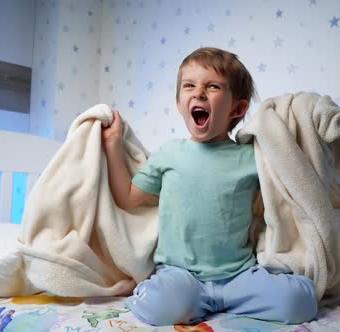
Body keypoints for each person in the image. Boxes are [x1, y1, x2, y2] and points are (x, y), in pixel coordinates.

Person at [102, 47, 317, 326]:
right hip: (182, 274)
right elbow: (128, 198)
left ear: (237, 108)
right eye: (189, 85)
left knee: (299, 304)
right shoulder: (170, 154)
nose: (198, 93)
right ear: (180, 103)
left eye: (212, 86)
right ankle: (176, 299)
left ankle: (210, 305)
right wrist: (113, 145)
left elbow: (287, 188)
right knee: (162, 308)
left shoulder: (253, 156)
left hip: (239, 276)